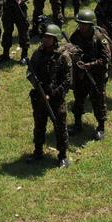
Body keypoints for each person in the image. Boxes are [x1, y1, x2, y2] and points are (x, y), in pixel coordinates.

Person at [26, 24, 73, 167]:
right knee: (39, 125)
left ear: (56, 39)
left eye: (49, 37)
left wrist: (52, 95)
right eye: (45, 37)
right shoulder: (37, 54)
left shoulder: (63, 57)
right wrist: (39, 90)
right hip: (39, 96)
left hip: (56, 98)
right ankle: (38, 151)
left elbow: (67, 80)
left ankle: (63, 156)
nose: (46, 40)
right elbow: (30, 73)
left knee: (60, 127)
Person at [69, 8, 111, 140]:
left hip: (96, 75)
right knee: (78, 99)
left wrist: (89, 65)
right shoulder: (75, 36)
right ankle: (77, 124)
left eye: (84, 24)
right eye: (80, 23)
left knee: (98, 101)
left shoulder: (99, 38)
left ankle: (101, 126)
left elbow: (106, 59)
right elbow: (70, 52)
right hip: (81, 74)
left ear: (91, 24)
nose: (81, 26)